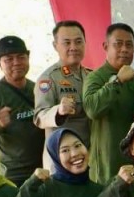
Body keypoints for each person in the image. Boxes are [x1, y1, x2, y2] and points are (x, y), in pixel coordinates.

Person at [0, 35, 42, 186]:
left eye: (21, 57)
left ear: (28, 58)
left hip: (42, 169)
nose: (16, 62)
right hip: (12, 174)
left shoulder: (39, 89)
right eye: (9, 59)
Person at [83, 23, 134, 185]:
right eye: (118, 44)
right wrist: (117, 81)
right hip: (107, 165)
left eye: (129, 45)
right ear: (105, 46)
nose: (124, 49)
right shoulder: (96, 77)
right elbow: (92, 109)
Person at [35, 21, 92, 166]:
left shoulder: (91, 76)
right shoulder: (48, 78)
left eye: (78, 42)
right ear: (55, 46)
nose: (73, 47)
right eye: (67, 42)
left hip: (88, 156)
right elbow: (39, 117)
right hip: (62, 160)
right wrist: (58, 111)